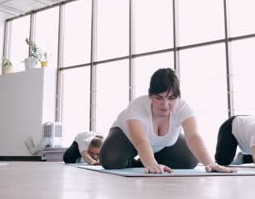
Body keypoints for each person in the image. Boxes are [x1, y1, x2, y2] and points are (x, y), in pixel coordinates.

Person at [99, 68, 235, 174]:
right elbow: (141, 140)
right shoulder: (137, 106)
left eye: (171, 98)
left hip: (162, 145)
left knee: (188, 160)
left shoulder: (183, 107)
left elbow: (193, 136)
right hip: (127, 138)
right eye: (159, 98)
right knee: (111, 160)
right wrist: (150, 163)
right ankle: (144, 160)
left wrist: (211, 163)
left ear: (177, 97)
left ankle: (148, 161)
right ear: (150, 95)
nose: (165, 104)